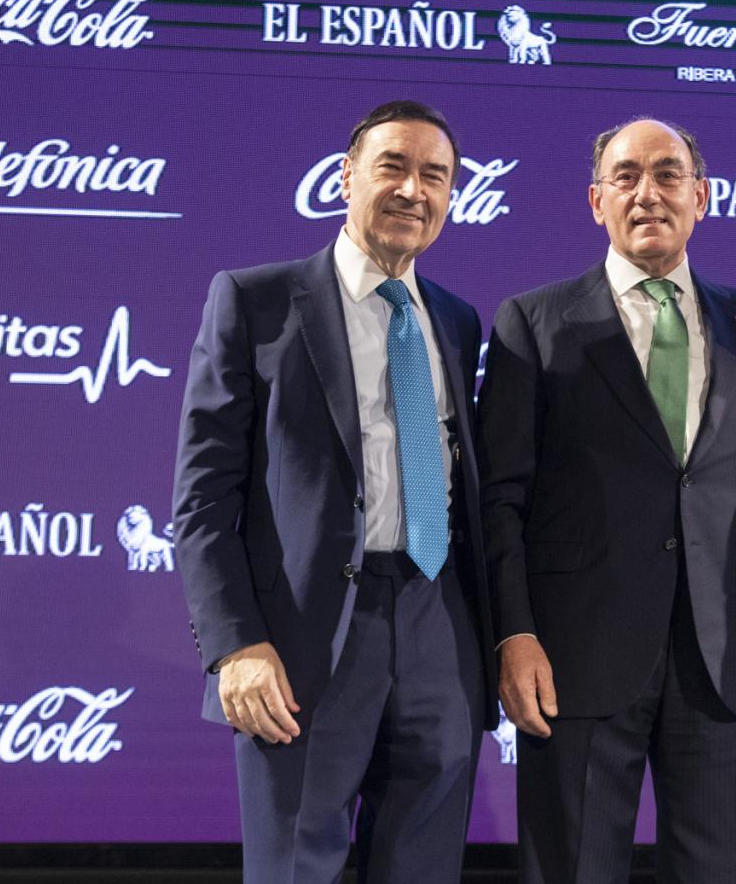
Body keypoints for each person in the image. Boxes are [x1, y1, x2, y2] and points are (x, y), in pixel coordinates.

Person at [479, 117, 736, 884]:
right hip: (574, 662)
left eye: (668, 174)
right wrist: (514, 633)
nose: (648, 193)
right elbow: (499, 501)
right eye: (627, 176)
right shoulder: (533, 323)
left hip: (723, 663)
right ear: (595, 200)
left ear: (700, 197)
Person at [172, 100, 495, 883]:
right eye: (393, 167)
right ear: (347, 178)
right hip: (302, 641)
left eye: (435, 176)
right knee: (294, 869)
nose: (413, 190)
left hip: (438, 624)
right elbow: (204, 497)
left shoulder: (457, 320)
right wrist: (234, 645)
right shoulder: (255, 301)